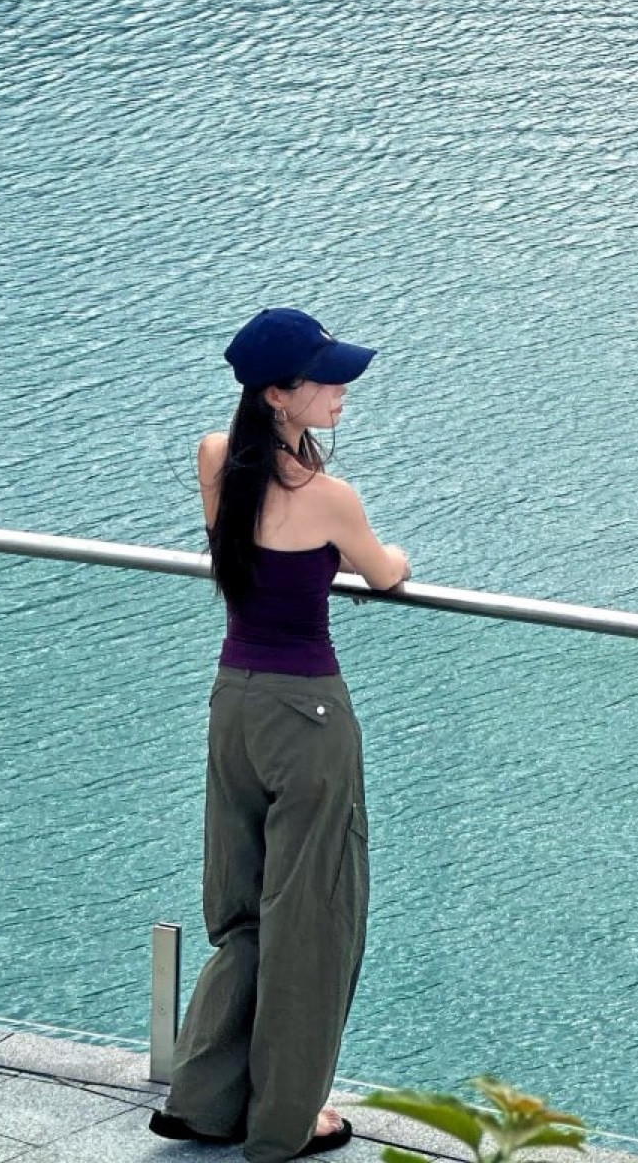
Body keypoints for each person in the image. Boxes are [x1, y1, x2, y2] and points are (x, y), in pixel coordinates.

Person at [151, 307, 410, 1163]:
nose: (341, 392)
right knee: (312, 921)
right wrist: (395, 559)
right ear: (277, 393)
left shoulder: (214, 459)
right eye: (324, 380)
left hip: (234, 706)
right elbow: (385, 571)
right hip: (309, 718)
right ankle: (287, 1122)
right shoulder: (331, 499)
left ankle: (202, 1100)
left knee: (242, 912)